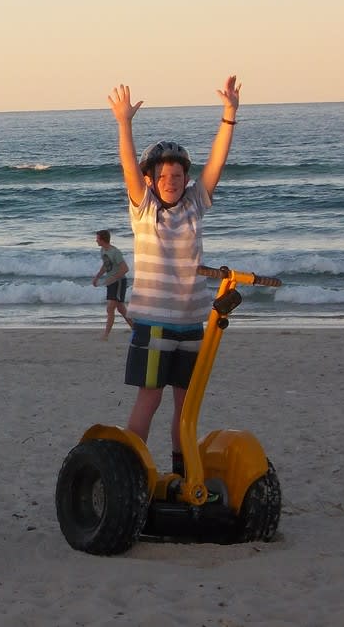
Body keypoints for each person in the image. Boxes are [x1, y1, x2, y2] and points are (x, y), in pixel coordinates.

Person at [108, 75, 241, 476]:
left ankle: (182, 475)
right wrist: (123, 123)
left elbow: (217, 162)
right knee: (149, 400)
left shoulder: (195, 205)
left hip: (191, 326)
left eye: (178, 176)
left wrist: (229, 114)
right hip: (153, 326)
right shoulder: (145, 211)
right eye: (163, 177)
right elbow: (129, 167)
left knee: (186, 408)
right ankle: (131, 474)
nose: (171, 182)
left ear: (186, 180)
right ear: (152, 181)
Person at [91, 229, 132, 339]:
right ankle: (136, 330)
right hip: (111, 282)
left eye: (97, 239)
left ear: (103, 239)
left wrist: (113, 278)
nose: (96, 241)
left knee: (110, 308)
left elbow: (125, 269)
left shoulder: (115, 252)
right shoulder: (103, 250)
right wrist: (97, 277)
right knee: (121, 309)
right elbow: (106, 265)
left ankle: (106, 335)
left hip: (118, 282)